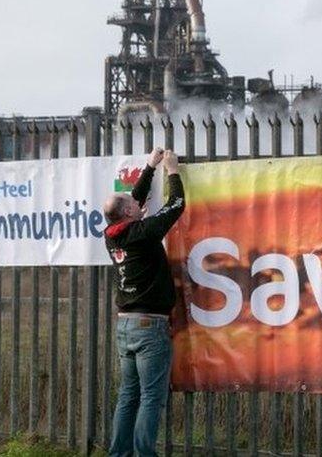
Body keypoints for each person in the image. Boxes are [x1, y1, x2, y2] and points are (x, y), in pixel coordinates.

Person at [104, 147, 186, 457]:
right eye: (131, 204)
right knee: (152, 397)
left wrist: (150, 166)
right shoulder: (145, 232)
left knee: (128, 396)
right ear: (128, 214)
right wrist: (173, 170)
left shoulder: (111, 234)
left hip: (126, 325)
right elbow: (177, 205)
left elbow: (131, 201)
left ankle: (119, 454)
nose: (136, 203)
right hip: (150, 326)